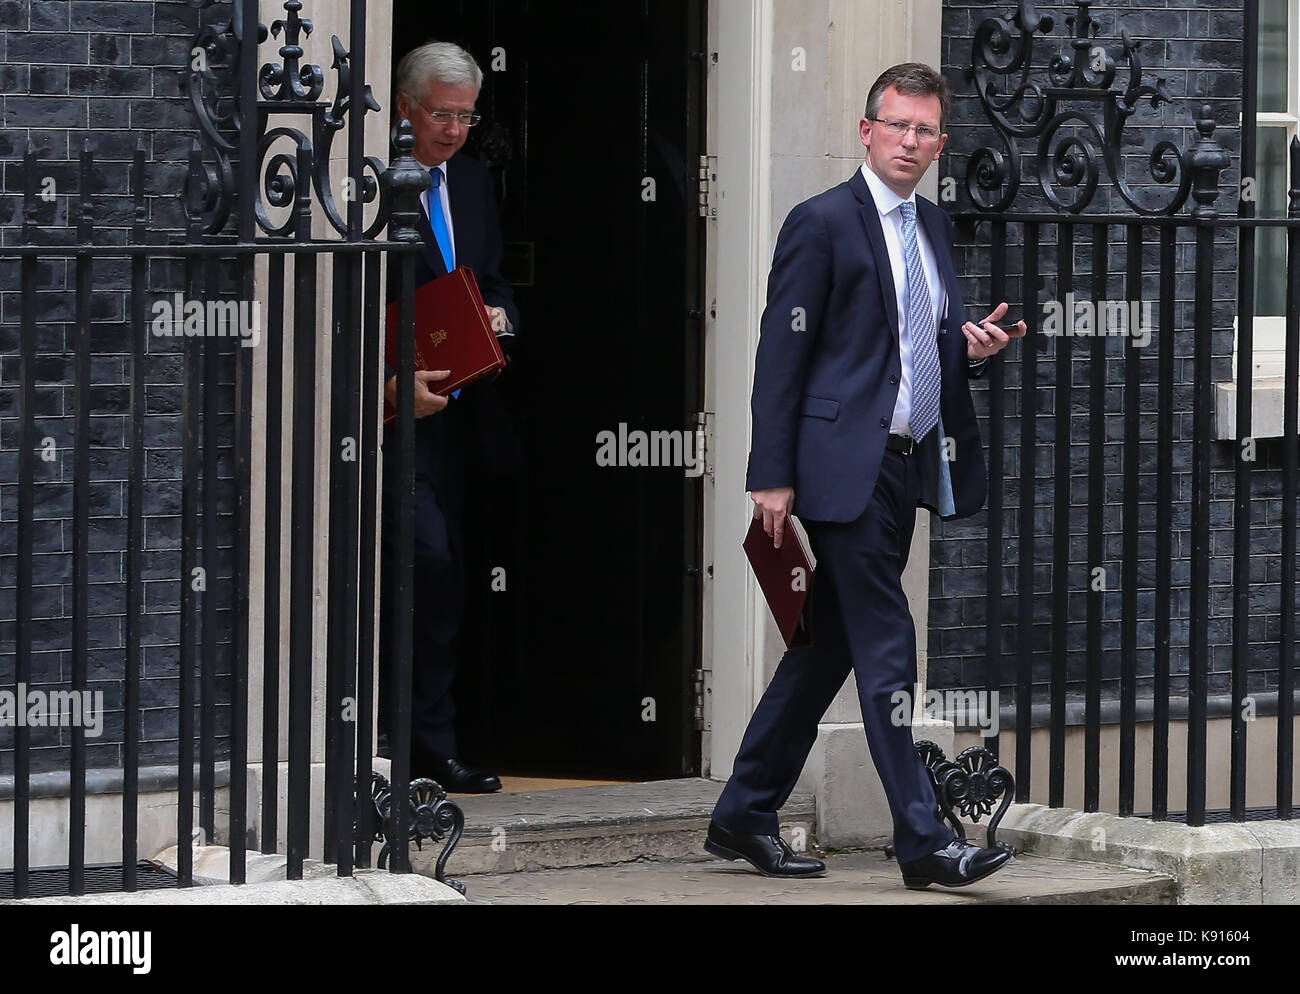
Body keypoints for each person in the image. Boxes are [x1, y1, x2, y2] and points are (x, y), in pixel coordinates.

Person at [704, 63, 1027, 889]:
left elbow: (916, 344)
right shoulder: (820, 224)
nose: (911, 142)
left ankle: (744, 810)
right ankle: (924, 841)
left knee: (828, 649)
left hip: (903, 464)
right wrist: (770, 474)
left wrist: (971, 349)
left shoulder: (933, 227)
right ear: (866, 130)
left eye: (926, 131)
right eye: (898, 126)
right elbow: (781, 356)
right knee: (890, 645)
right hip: (836, 469)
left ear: (940, 143)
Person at [378, 41, 519, 794]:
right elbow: (337, 299)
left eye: (466, 116)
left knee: (446, 579)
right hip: (384, 416)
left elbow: (491, 278)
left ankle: (430, 745)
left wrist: (502, 319)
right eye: (442, 114)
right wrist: (388, 384)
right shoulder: (367, 180)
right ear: (404, 106)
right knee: (418, 568)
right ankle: (385, 746)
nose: (456, 130)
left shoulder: (468, 181)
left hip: (458, 417)